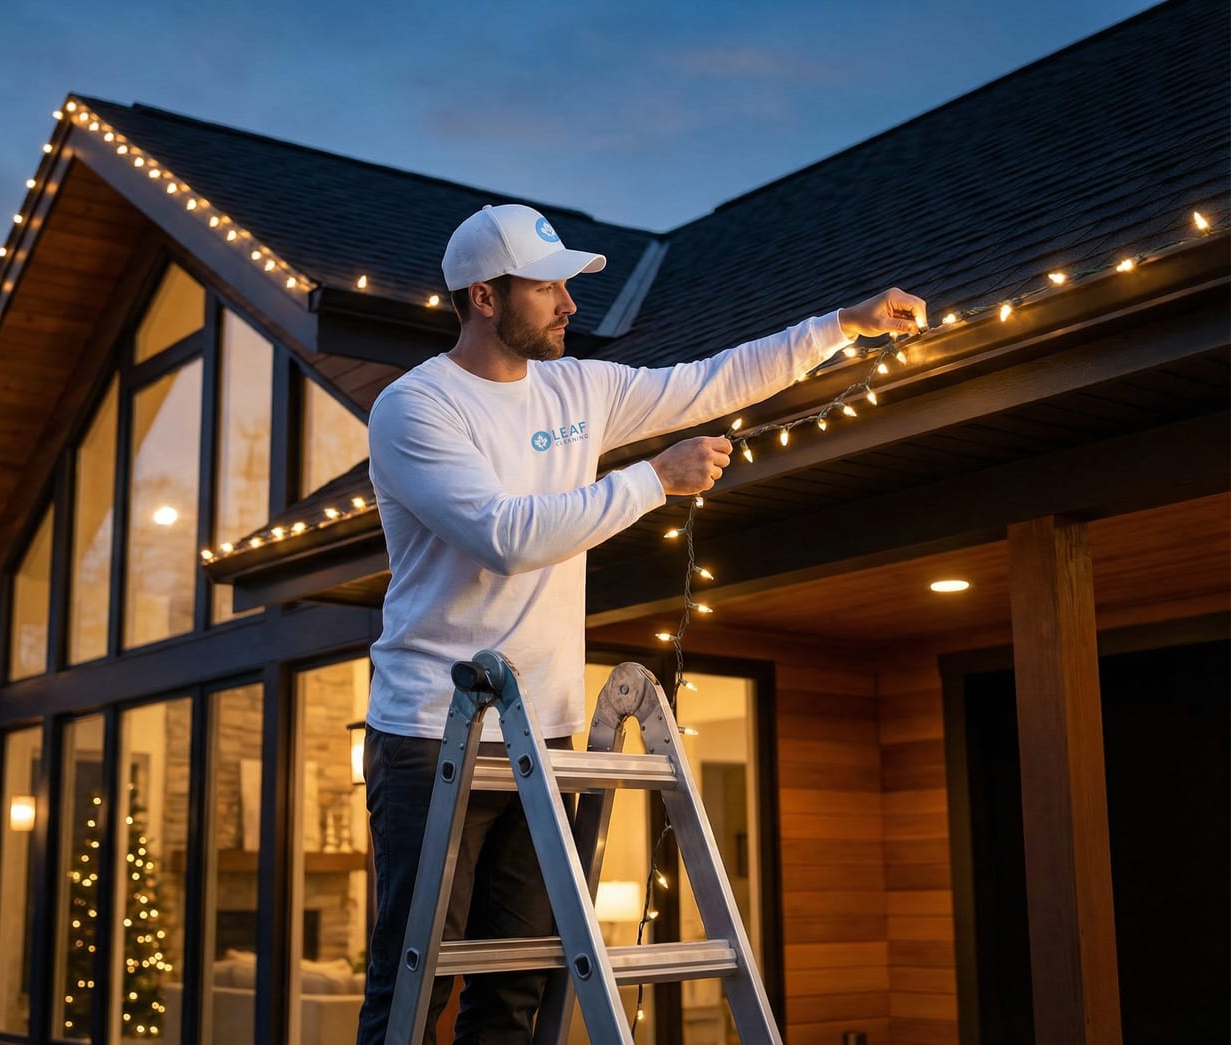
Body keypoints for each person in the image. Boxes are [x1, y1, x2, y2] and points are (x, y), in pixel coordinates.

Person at [358, 203, 927, 1043]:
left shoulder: (579, 388)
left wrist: (842, 324)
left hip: (539, 737)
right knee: (409, 989)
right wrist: (654, 480)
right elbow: (505, 536)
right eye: (548, 285)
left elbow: (713, 379)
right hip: (428, 737)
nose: (569, 304)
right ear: (483, 296)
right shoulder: (417, 409)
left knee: (514, 992)